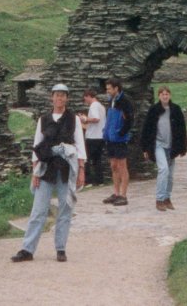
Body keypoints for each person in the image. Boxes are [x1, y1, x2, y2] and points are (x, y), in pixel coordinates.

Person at [13, 84, 86, 263]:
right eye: (57, 95)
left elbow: (79, 145)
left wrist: (81, 170)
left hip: (66, 167)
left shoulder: (74, 119)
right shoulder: (43, 119)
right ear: (52, 97)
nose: (60, 98)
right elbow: (37, 146)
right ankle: (27, 249)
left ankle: (61, 248)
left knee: (65, 209)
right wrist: (35, 173)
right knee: (38, 210)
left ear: (67, 98)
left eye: (63, 95)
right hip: (46, 167)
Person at [140, 86, 187, 211]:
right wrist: (145, 148)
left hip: (171, 146)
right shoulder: (154, 110)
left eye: (167, 94)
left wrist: (183, 147)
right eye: (162, 94)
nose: (165, 96)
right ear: (159, 96)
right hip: (158, 144)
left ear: (170, 95)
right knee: (163, 169)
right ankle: (159, 199)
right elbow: (147, 129)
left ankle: (167, 198)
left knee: (170, 175)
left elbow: (182, 129)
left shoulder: (176, 109)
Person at [101, 77, 134, 206]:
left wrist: (120, 133)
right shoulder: (111, 101)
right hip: (110, 139)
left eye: (109, 89)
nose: (107, 91)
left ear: (116, 88)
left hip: (119, 140)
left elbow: (129, 120)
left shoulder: (125, 101)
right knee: (113, 166)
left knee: (122, 166)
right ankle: (115, 193)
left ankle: (123, 195)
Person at [79, 87, 106, 186]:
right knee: (97, 159)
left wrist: (85, 119)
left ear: (88, 96)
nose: (85, 101)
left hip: (92, 137)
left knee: (86, 158)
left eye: (85, 98)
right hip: (101, 136)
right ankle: (99, 180)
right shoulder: (101, 106)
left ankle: (88, 180)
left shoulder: (94, 106)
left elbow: (96, 119)